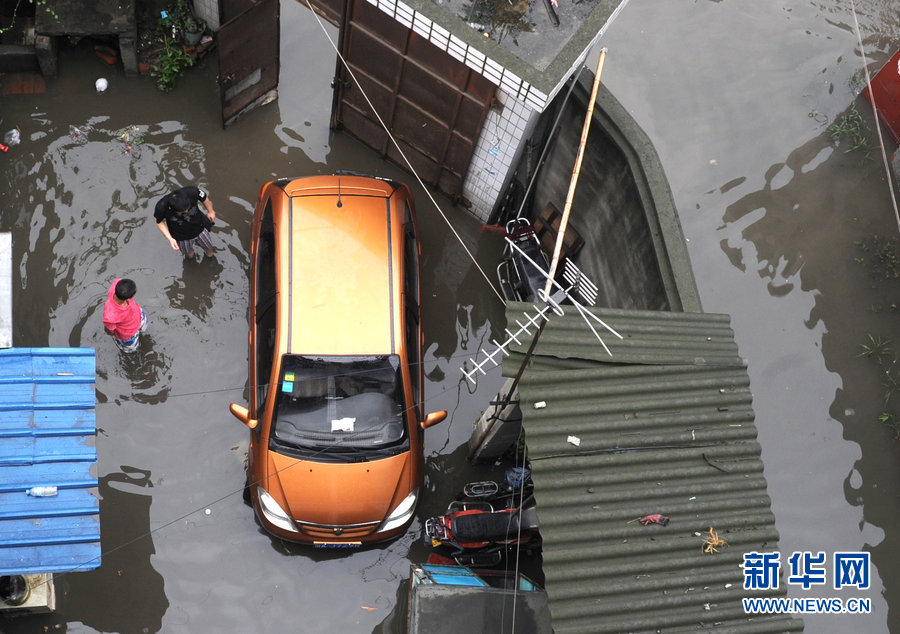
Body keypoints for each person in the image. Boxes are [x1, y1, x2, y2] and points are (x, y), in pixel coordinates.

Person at [153, 185, 217, 259]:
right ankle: (191, 260)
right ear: (171, 207)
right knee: (189, 254)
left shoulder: (192, 191)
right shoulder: (161, 206)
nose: (187, 211)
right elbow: (159, 222)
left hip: (200, 227)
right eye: (183, 211)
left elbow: (204, 197)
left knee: (208, 247)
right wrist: (170, 239)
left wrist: (211, 211)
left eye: (188, 208)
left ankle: (210, 257)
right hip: (181, 236)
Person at [103, 278, 146, 353]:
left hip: (139, 316)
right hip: (129, 334)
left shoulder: (118, 284)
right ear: (128, 299)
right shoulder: (110, 315)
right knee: (132, 350)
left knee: (143, 330)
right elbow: (109, 331)